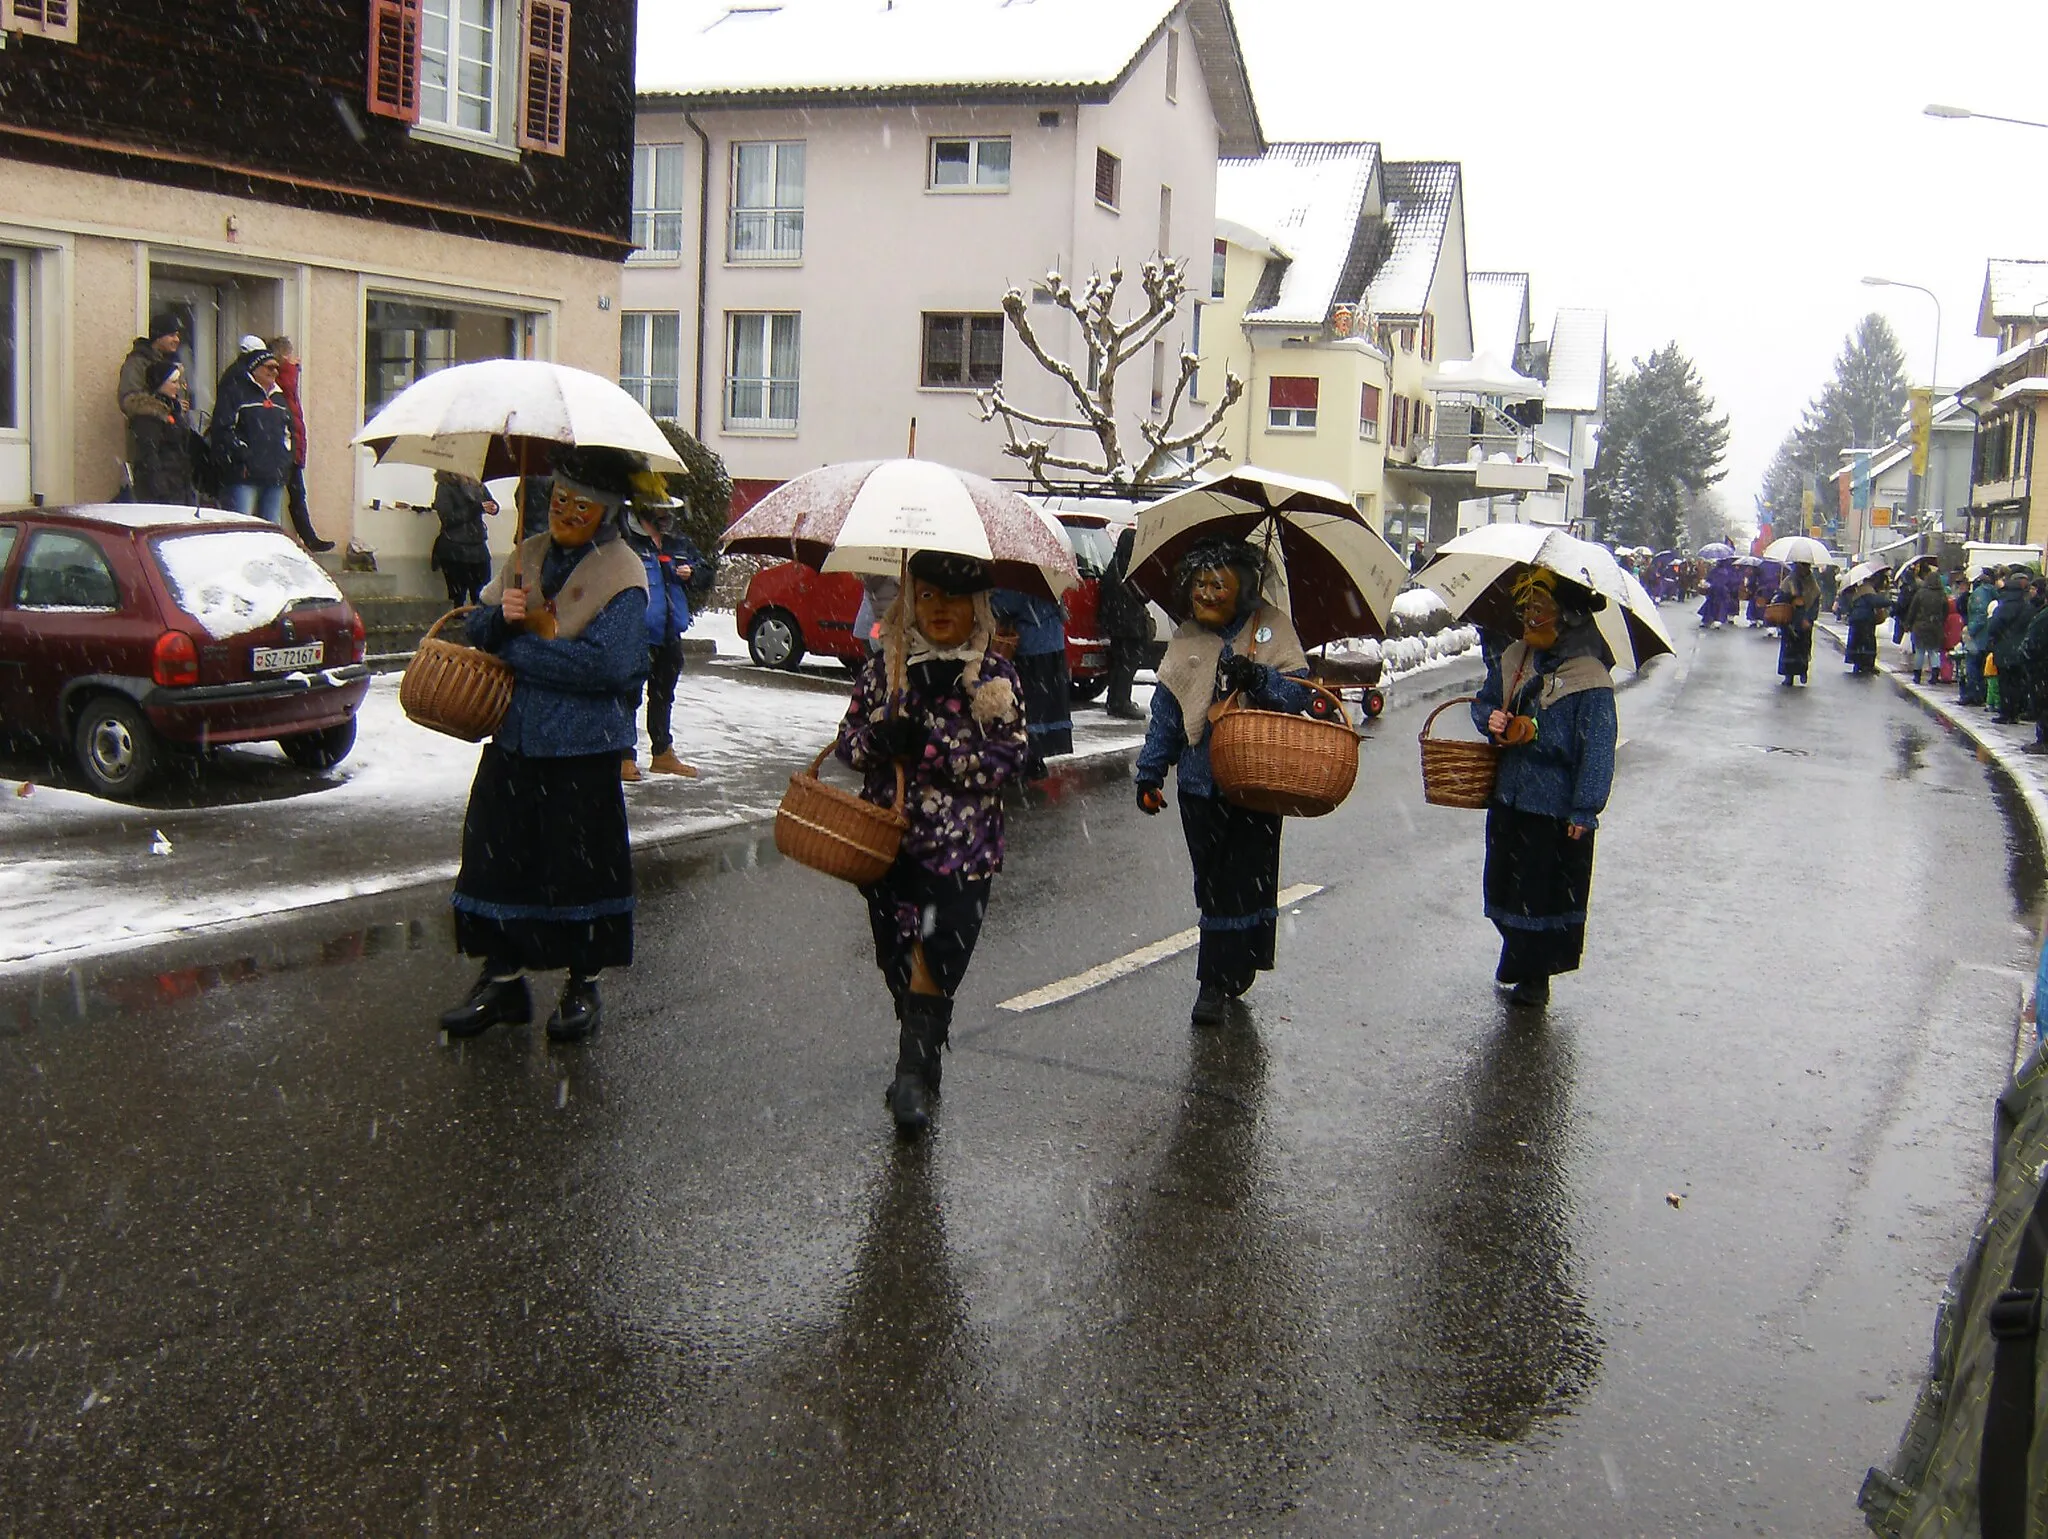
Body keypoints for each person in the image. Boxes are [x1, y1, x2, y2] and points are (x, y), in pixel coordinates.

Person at [437, 447, 652, 1045]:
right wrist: (500, 623)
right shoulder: (526, 555)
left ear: (606, 512)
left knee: (577, 869)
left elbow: (610, 666)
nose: (565, 513)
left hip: (581, 750)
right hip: (516, 739)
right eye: (559, 500)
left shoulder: (623, 572)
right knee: (498, 858)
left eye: (580, 505)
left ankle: (582, 983)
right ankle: (502, 981)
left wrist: (520, 649)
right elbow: (474, 628)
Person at [833, 551, 1029, 1134]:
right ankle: (921, 1050)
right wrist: (879, 738)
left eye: (954, 598)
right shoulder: (885, 669)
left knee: (937, 955)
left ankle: (911, 1073)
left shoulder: (994, 677)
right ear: (911, 601)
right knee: (897, 956)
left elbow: (1011, 757)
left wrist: (935, 751)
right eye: (928, 596)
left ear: (977, 608)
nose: (939, 609)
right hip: (889, 845)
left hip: (964, 850)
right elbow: (847, 746)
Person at [1133, 538, 1316, 1027]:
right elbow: (1167, 714)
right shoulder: (1187, 639)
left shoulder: (1272, 630)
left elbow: (1300, 697)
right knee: (1212, 884)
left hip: (1257, 783)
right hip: (1199, 786)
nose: (1206, 594)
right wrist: (1150, 772)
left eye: (1218, 584)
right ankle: (1229, 964)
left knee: (1240, 883)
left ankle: (1213, 982)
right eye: (1200, 583)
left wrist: (1256, 677)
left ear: (1245, 589)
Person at [1470, 567, 1618, 1010]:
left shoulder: (1589, 678)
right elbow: (1484, 702)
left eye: (1540, 608)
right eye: (1527, 607)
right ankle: (1518, 957)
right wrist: (1492, 720)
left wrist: (1584, 810)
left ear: (1568, 617)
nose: (1529, 617)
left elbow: (1597, 749)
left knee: (1539, 895)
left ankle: (1535, 976)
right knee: (1504, 889)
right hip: (1510, 795)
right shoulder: (1517, 659)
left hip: (1552, 807)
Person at [622, 491, 715, 781]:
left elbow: (706, 572)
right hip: (636, 634)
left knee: (663, 696)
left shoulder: (677, 543)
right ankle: (624, 756)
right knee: (628, 696)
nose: (668, 519)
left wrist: (693, 573)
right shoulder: (625, 542)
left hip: (669, 633)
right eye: (661, 514)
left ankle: (662, 753)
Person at [990, 586, 1072, 773]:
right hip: (1052, 644)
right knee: (1046, 703)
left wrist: (992, 598)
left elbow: (1007, 604)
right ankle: (1039, 753)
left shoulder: (1019, 581)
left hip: (1032, 647)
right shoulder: (1045, 580)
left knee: (1031, 703)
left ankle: (1030, 754)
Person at [209, 346, 294, 522]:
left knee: (271, 527)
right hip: (244, 476)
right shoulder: (236, 393)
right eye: (269, 367)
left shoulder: (279, 397)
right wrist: (242, 455)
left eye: (277, 367)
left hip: (274, 474)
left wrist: (285, 458)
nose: (274, 372)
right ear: (255, 369)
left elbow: (288, 432)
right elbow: (223, 428)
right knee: (241, 524)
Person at [267, 337, 335, 552]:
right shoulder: (282, 376)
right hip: (286, 445)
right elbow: (286, 386)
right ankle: (304, 537)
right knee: (286, 494)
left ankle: (307, 537)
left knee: (296, 494)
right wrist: (290, 367)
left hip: (292, 443)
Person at [118, 312, 185, 483]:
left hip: (173, 453)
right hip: (150, 444)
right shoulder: (138, 362)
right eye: (171, 334)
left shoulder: (174, 362)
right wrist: (164, 409)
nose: (177, 339)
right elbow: (129, 399)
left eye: (178, 335)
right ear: (158, 336)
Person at [1098, 524, 1153, 721]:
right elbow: (1143, 595)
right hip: (1130, 627)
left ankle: (1116, 700)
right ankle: (1121, 702)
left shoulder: (1115, 564)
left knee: (1119, 664)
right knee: (1127, 665)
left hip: (1119, 626)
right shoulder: (1128, 567)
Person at [128, 359, 199, 505]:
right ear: (159, 384)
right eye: (173, 382)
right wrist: (161, 489)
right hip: (163, 490)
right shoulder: (149, 415)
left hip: (178, 485)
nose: (178, 387)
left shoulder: (173, 411)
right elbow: (148, 453)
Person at [428, 469, 497, 606]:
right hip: (455, 546)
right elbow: (448, 518)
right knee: (458, 595)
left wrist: (493, 507)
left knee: (482, 590)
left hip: (477, 545)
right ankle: (459, 619)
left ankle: (477, 619)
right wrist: (477, 508)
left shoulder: (477, 485)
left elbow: (490, 502)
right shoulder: (445, 486)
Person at [1990, 572, 2036, 725]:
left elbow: (1994, 626)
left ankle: (2005, 712)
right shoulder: (2027, 607)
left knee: (2005, 682)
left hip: (2004, 648)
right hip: (2020, 649)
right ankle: (2015, 711)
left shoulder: (2004, 607)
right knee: (2017, 682)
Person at [1774, 561, 1822, 685]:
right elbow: (1780, 599)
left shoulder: (1812, 583)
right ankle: (1788, 675)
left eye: (1806, 566)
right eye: (1802, 566)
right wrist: (1791, 599)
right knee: (1789, 648)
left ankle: (1802, 671)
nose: (1804, 569)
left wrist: (1809, 618)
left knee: (1803, 647)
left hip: (1805, 619)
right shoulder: (1789, 581)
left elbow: (1815, 602)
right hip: (1790, 618)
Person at [1963, 570, 1998, 706]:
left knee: (1972, 665)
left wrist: (1970, 630)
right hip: (1987, 636)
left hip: (1978, 637)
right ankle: (1981, 694)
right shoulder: (1992, 592)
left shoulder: (1979, 594)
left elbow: (1979, 615)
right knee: (1982, 666)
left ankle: (1974, 694)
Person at [1843, 581, 1883, 675]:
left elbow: (1847, 605)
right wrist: (1891, 603)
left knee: (1855, 640)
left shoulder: (1853, 592)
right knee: (1869, 642)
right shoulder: (1866, 591)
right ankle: (1868, 664)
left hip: (1854, 619)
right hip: (1866, 619)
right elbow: (1877, 602)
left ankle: (1855, 659)